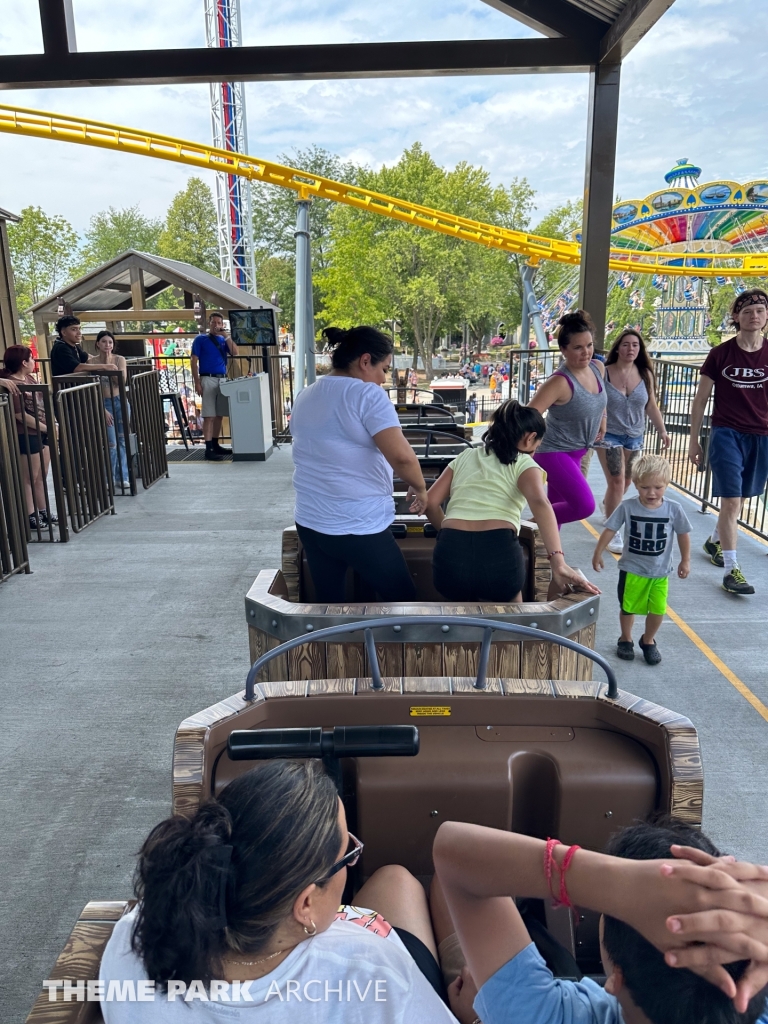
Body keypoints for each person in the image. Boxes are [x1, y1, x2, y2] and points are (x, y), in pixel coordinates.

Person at [99, 759, 456, 1022]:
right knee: (402, 880)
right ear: (305, 904)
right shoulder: (368, 968)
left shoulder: (135, 936)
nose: (352, 859)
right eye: (347, 853)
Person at [433, 816, 768, 1024]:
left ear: (615, 978)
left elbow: (452, 851)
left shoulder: (551, 1015)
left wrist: (620, 883)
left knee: (398, 879)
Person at [289, 325, 428, 604]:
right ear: (365, 361)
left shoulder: (306, 394)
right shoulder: (367, 395)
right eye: (384, 369)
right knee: (403, 600)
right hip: (357, 524)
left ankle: (337, 648)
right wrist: (420, 486)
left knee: (331, 605)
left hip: (311, 522)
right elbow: (401, 456)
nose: (383, 379)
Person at [412, 401, 600, 603]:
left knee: (459, 616)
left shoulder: (466, 456)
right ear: (530, 438)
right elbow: (540, 503)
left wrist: (448, 532)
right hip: (498, 553)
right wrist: (558, 561)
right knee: (512, 611)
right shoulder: (524, 463)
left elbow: (430, 503)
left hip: (451, 554)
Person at [690, 289, 768, 595]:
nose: (754, 316)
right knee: (731, 501)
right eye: (747, 311)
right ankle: (731, 569)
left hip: (760, 434)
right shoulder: (720, 354)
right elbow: (699, 402)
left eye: (760, 310)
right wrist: (695, 441)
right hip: (726, 432)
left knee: (742, 498)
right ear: (736, 316)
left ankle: (715, 540)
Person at [592, 454, 690, 664]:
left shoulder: (674, 509)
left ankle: (648, 640)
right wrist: (598, 551)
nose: (651, 493)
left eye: (658, 487)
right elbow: (611, 528)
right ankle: (625, 638)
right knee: (628, 607)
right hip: (632, 570)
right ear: (635, 484)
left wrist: (685, 560)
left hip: (660, 571)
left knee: (658, 610)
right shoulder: (628, 507)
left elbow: (683, 534)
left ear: (667, 484)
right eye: (645, 487)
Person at [528, 310, 607, 527]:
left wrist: (603, 420)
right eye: (578, 347)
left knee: (558, 513)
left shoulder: (597, 368)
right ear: (563, 350)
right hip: (553, 452)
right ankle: (529, 526)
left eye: (589, 345)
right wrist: (525, 448)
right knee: (583, 506)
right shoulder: (559, 382)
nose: (586, 352)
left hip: (578, 451)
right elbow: (528, 414)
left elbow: (601, 400)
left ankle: (553, 559)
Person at [597, 329, 670, 554]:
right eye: (626, 344)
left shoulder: (645, 374)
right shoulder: (604, 373)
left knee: (628, 481)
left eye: (636, 345)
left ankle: (608, 504)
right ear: (618, 347)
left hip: (635, 434)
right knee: (617, 481)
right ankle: (612, 529)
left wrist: (663, 431)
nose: (631, 349)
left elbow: (651, 406)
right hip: (609, 434)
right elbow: (595, 402)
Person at [0, 345, 57, 529]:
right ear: (24, 362)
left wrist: (51, 424)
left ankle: (43, 510)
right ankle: (30, 514)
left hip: (43, 430)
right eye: (31, 358)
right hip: (27, 432)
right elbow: (19, 415)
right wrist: (45, 428)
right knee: (28, 477)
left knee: (42, 475)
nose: (34, 361)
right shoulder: (12, 383)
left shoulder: (30, 378)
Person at [190, 312, 238, 462]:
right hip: (208, 378)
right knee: (209, 415)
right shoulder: (200, 339)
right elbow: (193, 360)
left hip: (222, 379)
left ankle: (216, 444)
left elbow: (235, 353)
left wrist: (226, 336)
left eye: (219, 323)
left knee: (219, 414)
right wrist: (197, 381)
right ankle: (208, 447)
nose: (217, 325)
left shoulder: (224, 339)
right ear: (209, 324)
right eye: (214, 322)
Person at [91, 330, 130, 489]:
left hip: (120, 401)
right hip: (104, 402)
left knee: (122, 439)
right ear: (97, 344)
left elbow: (121, 381)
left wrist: (109, 365)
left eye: (110, 342)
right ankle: (109, 478)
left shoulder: (119, 360)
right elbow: (91, 386)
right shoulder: (92, 362)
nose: (107, 345)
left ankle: (123, 476)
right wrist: (101, 408)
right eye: (104, 342)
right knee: (111, 442)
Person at [49, 315, 115, 379]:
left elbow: (88, 357)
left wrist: (107, 358)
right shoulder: (60, 348)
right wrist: (104, 366)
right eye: (74, 329)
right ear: (64, 332)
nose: (79, 333)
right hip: (67, 388)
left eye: (79, 329)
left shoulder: (74, 346)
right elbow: (77, 368)